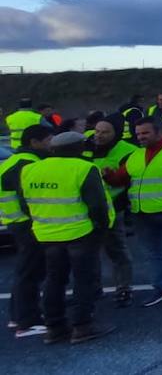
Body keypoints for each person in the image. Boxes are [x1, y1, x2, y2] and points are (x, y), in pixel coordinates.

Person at [19, 131, 115, 344]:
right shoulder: (83, 168)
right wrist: (101, 227)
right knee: (84, 279)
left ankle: (54, 327)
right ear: (79, 147)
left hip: (46, 233)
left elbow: (24, 202)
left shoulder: (30, 169)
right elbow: (97, 205)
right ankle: (82, 326)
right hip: (80, 232)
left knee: (54, 279)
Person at [105, 118, 162, 306]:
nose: (140, 137)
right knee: (151, 254)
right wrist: (109, 176)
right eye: (138, 133)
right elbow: (121, 179)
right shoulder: (136, 155)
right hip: (142, 213)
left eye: (145, 133)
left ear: (159, 132)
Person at [1, 124, 53, 338]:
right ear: (34, 142)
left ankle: (18, 316)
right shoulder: (26, 164)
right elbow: (28, 199)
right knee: (31, 271)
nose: (51, 144)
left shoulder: (16, 160)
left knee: (25, 270)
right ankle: (28, 322)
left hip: (17, 222)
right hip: (27, 224)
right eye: (49, 140)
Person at [86, 119, 137, 308]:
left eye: (105, 132)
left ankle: (124, 288)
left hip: (113, 207)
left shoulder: (128, 150)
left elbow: (129, 180)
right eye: (97, 131)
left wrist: (110, 177)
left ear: (116, 133)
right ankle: (93, 288)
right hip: (86, 208)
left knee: (117, 250)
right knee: (89, 252)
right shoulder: (85, 147)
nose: (99, 135)